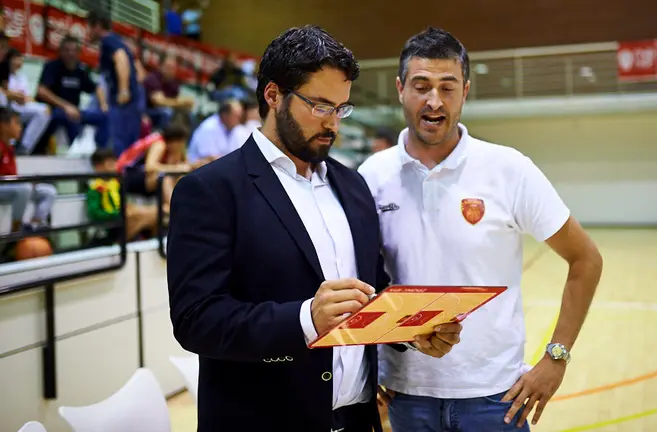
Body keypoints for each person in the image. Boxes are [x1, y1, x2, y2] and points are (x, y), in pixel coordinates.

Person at [166, 25, 461, 432]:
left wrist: (411, 330)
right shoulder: (210, 190)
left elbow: (370, 289)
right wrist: (305, 319)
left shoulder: (352, 185)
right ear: (273, 95)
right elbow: (196, 320)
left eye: (341, 108)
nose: (333, 124)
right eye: (321, 106)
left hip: (356, 419)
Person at [358, 27, 603, 431]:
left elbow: (585, 259)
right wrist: (366, 371)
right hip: (406, 396)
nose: (434, 100)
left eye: (447, 87)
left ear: (465, 91)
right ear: (401, 89)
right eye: (421, 86)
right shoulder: (371, 177)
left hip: (496, 396)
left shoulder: (510, 169)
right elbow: (362, 282)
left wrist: (556, 358)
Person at [36, 35, 110, 152]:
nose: (70, 54)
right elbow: (42, 91)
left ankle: (101, 151)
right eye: (67, 50)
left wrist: (103, 105)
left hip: (75, 110)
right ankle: (75, 148)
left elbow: (96, 88)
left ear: (79, 53)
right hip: (55, 110)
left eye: (74, 50)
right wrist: (66, 106)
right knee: (67, 116)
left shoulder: (80, 70)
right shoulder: (52, 66)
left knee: (104, 116)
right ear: (60, 51)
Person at [86, 11, 142, 156]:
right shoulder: (117, 40)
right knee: (126, 143)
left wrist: (123, 89)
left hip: (123, 102)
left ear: (97, 26)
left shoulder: (108, 41)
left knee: (120, 144)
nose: (87, 32)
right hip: (128, 101)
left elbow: (121, 59)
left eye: (89, 27)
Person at [0, 107, 57, 232]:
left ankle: (35, 225)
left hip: (10, 186)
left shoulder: (10, 147)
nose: (20, 128)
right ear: (3, 125)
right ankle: (16, 229)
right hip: (3, 187)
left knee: (48, 191)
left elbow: (11, 176)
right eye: (17, 123)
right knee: (24, 188)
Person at [88, 149, 158, 241]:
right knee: (141, 215)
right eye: (110, 163)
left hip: (122, 219)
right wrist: (118, 213)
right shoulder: (95, 188)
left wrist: (128, 208)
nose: (115, 166)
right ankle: (120, 243)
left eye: (115, 162)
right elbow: (95, 213)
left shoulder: (116, 183)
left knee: (155, 212)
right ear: (99, 167)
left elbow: (123, 203)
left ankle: (146, 241)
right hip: (110, 224)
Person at [4, 49, 51, 155]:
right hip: (8, 107)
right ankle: (10, 146)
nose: (18, 62)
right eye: (15, 59)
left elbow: (28, 97)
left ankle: (25, 147)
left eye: (20, 59)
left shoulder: (22, 77)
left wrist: (23, 98)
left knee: (44, 111)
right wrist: (17, 96)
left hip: (22, 107)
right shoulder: (4, 76)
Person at [186, 99, 242, 164]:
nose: (239, 120)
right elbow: (209, 158)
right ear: (225, 115)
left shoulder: (232, 128)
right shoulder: (209, 128)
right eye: (236, 116)